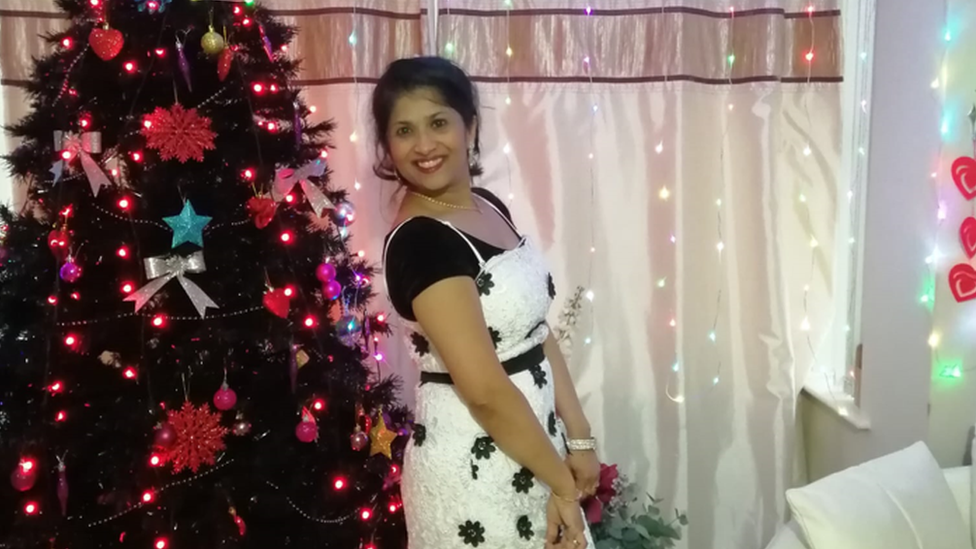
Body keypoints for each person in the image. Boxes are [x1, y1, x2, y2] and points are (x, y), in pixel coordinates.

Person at [375, 56, 599, 548]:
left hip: (535, 448)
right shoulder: (421, 242)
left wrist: (578, 437)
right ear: (388, 149)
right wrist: (562, 487)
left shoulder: (487, 204)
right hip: (473, 471)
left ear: (470, 127)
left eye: (438, 123)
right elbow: (484, 391)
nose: (425, 145)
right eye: (404, 131)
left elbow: (535, 333)